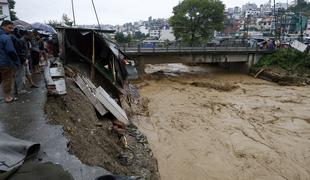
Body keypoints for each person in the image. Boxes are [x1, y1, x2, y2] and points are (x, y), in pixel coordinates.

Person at [0, 20, 20, 102]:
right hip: (5, 63)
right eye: (9, 28)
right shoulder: (6, 37)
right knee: (7, 79)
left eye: (12, 28)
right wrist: (16, 62)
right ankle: (8, 97)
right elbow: (11, 51)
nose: (11, 30)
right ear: (3, 26)